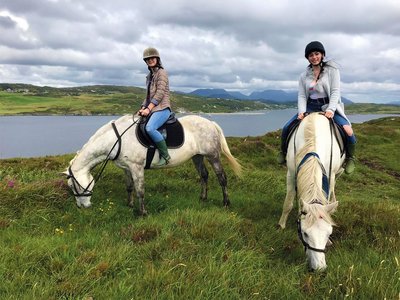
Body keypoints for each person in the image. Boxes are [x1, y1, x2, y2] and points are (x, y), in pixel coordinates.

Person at [277, 41, 356, 174]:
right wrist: (302, 111)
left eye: (316, 54)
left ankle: (350, 158)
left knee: (348, 131)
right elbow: (302, 95)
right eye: (311, 55)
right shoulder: (303, 76)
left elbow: (335, 91)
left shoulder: (333, 71)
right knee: (286, 127)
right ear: (307, 58)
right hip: (310, 107)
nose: (314, 57)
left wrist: (331, 110)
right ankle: (284, 152)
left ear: (322, 55)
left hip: (328, 106)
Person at [138, 47, 171, 167]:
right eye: (147, 59)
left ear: (157, 58)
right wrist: (143, 107)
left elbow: (160, 93)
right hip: (153, 108)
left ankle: (166, 155)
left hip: (162, 108)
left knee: (150, 128)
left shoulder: (162, 73)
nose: (150, 60)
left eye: (152, 58)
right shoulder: (149, 76)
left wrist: (149, 108)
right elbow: (148, 95)